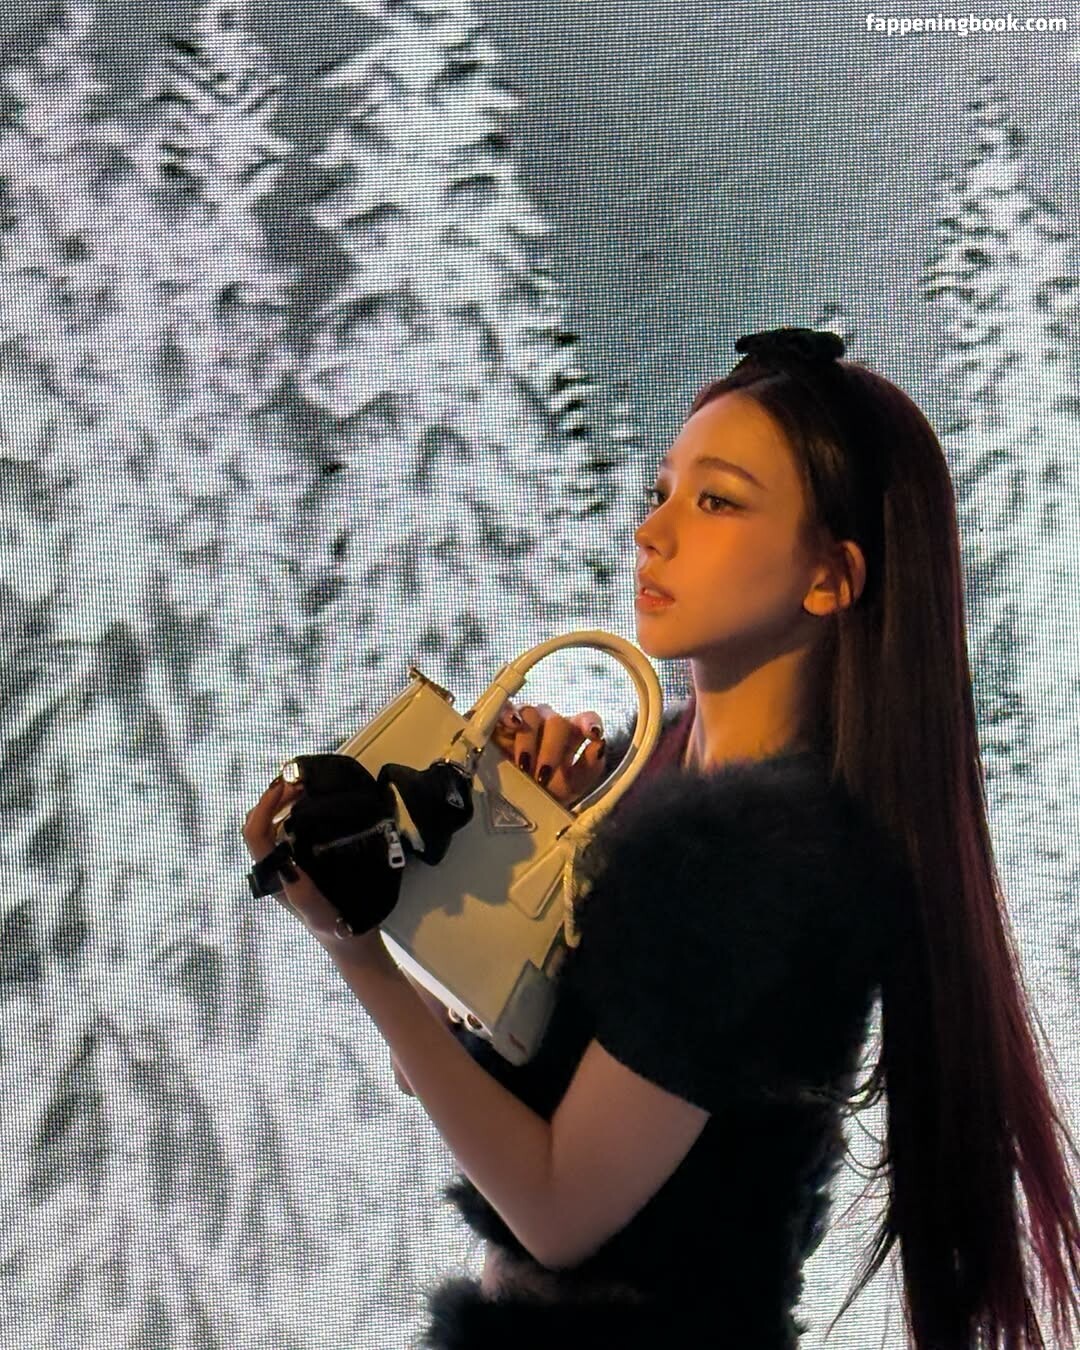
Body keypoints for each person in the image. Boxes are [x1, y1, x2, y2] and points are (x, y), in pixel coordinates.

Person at [246, 328, 1080, 1349]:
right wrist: (498, 880)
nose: (652, 531)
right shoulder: (661, 788)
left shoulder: (758, 858)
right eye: (661, 491)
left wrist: (354, 946)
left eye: (716, 501)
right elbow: (454, 1075)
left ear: (831, 576)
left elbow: (558, 1208)